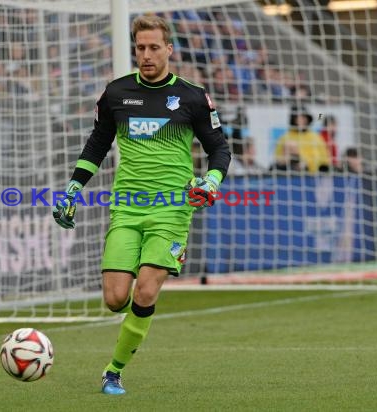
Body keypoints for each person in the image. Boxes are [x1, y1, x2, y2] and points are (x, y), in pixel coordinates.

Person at [52, 15, 230, 395]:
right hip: (127, 208)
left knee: (146, 292)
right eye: (140, 48)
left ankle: (113, 371)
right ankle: (125, 329)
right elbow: (97, 146)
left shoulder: (192, 97)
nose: (146, 55)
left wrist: (211, 181)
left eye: (153, 48)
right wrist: (73, 189)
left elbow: (219, 148)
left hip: (172, 210)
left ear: (169, 49)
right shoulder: (116, 94)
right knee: (116, 299)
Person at [274, 104, 329, 173]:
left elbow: (324, 160)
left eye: (303, 117)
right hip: (290, 172)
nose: (301, 120)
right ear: (293, 119)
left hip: (311, 174)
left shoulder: (315, 137)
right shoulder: (285, 137)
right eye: (298, 118)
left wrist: (306, 163)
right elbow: (278, 159)